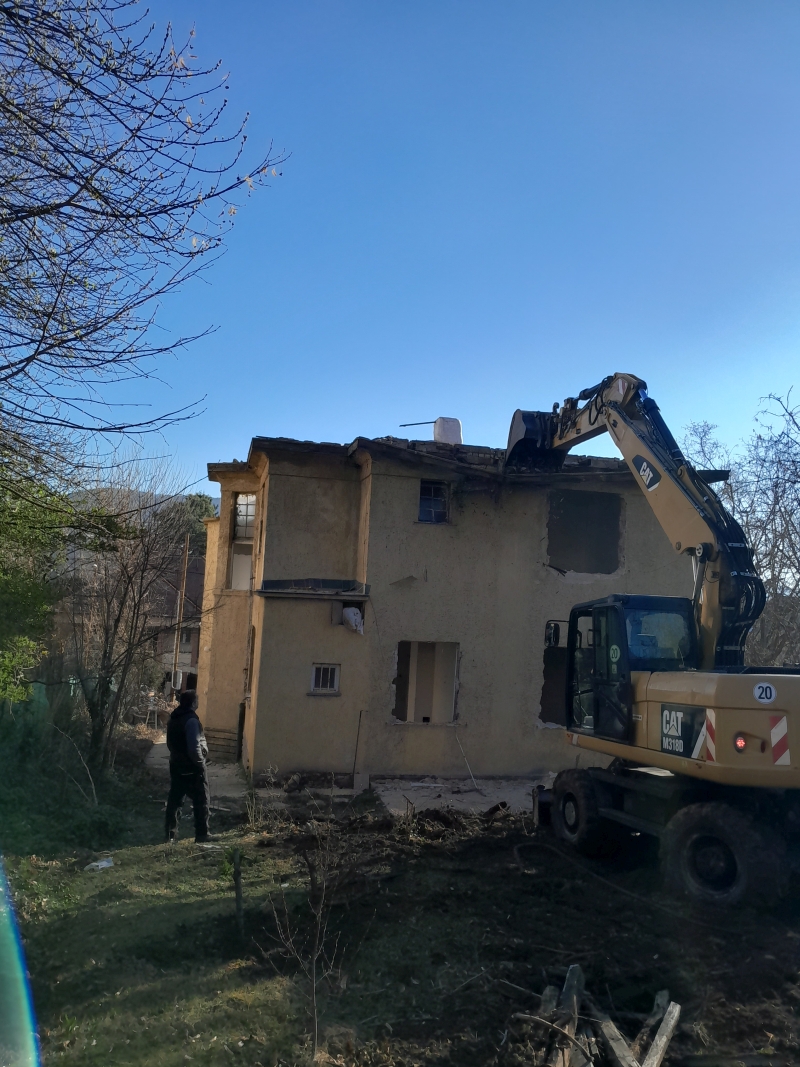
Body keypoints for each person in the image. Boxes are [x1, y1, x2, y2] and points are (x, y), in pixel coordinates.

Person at [165, 690, 213, 843]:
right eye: (197, 700)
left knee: (175, 801)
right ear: (193, 703)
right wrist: (200, 763)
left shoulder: (173, 718)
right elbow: (194, 747)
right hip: (192, 767)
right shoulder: (191, 721)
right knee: (202, 800)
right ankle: (202, 834)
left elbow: (169, 743)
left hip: (176, 765)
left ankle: (169, 836)